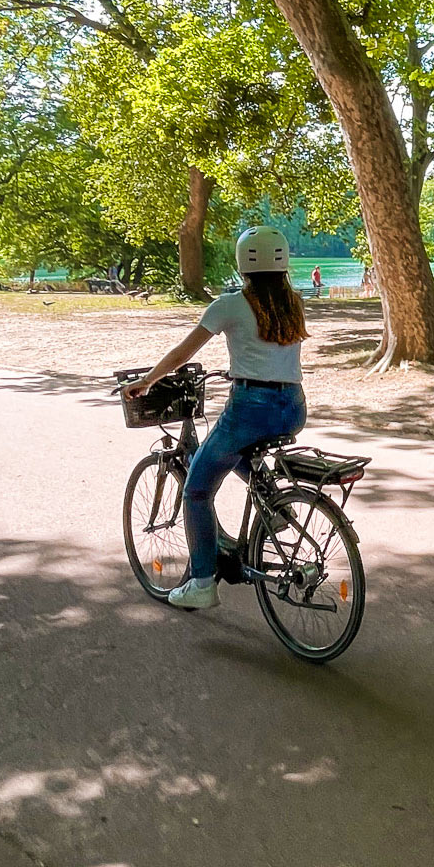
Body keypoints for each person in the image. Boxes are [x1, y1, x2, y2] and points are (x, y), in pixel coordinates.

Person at [121, 226, 308, 609]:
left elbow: (182, 353)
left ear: (243, 264)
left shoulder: (229, 304)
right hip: (293, 407)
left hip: (250, 409)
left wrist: (147, 380)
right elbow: (269, 353)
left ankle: (203, 583)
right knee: (235, 451)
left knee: (197, 489)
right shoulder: (293, 302)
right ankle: (275, 504)